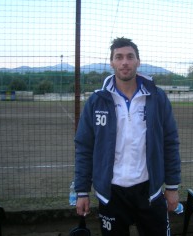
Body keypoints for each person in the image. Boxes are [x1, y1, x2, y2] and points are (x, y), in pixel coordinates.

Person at [74, 37, 181, 236]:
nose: (125, 62)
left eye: (130, 57)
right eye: (119, 57)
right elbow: (84, 147)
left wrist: (172, 187)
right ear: (112, 62)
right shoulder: (97, 101)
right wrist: (82, 191)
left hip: (150, 191)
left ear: (138, 62)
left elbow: (170, 142)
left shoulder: (157, 98)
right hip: (111, 193)